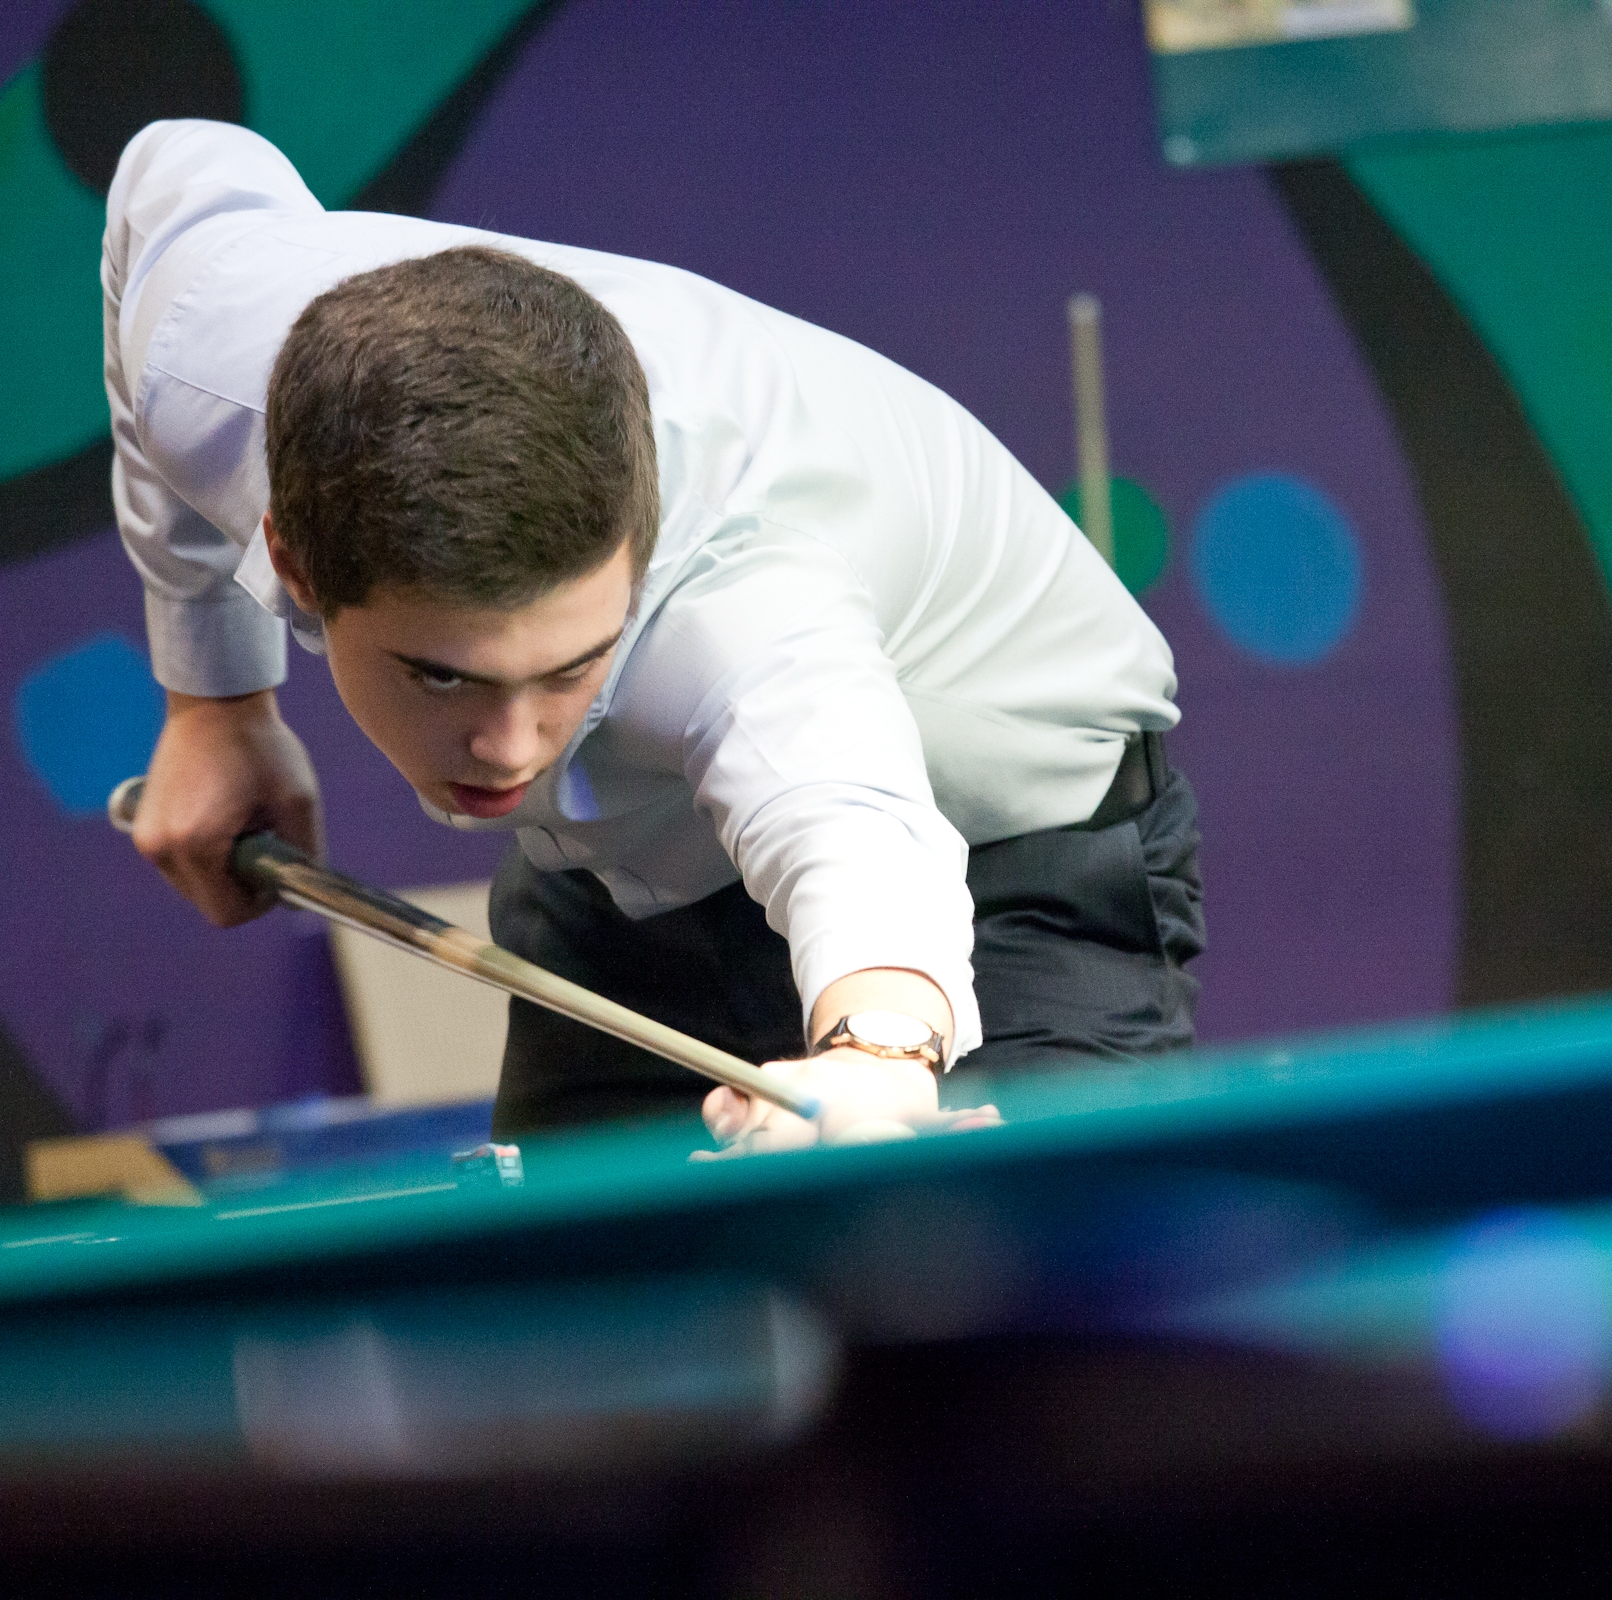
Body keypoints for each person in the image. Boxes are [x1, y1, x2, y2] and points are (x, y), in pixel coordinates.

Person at [102, 120, 1201, 1155]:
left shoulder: (739, 603)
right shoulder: (212, 358)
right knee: (592, 1285)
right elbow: (173, 169)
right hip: (627, 886)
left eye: (571, 667)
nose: (511, 746)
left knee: (988, 1280)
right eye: (443, 676)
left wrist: (877, 1059)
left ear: (633, 555)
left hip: (1008, 856)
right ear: (292, 558)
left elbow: (852, 826)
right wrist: (215, 703)